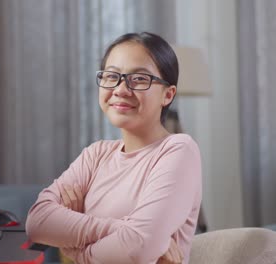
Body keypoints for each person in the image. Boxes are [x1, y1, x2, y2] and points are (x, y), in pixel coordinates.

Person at [25, 32, 202, 264]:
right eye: (111, 76)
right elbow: (37, 222)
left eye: (139, 79)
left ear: (167, 95)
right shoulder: (95, 154)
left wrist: (76, 251)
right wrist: (124, 229)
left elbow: (137, 248)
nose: (120, 89)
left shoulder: (179, 150)